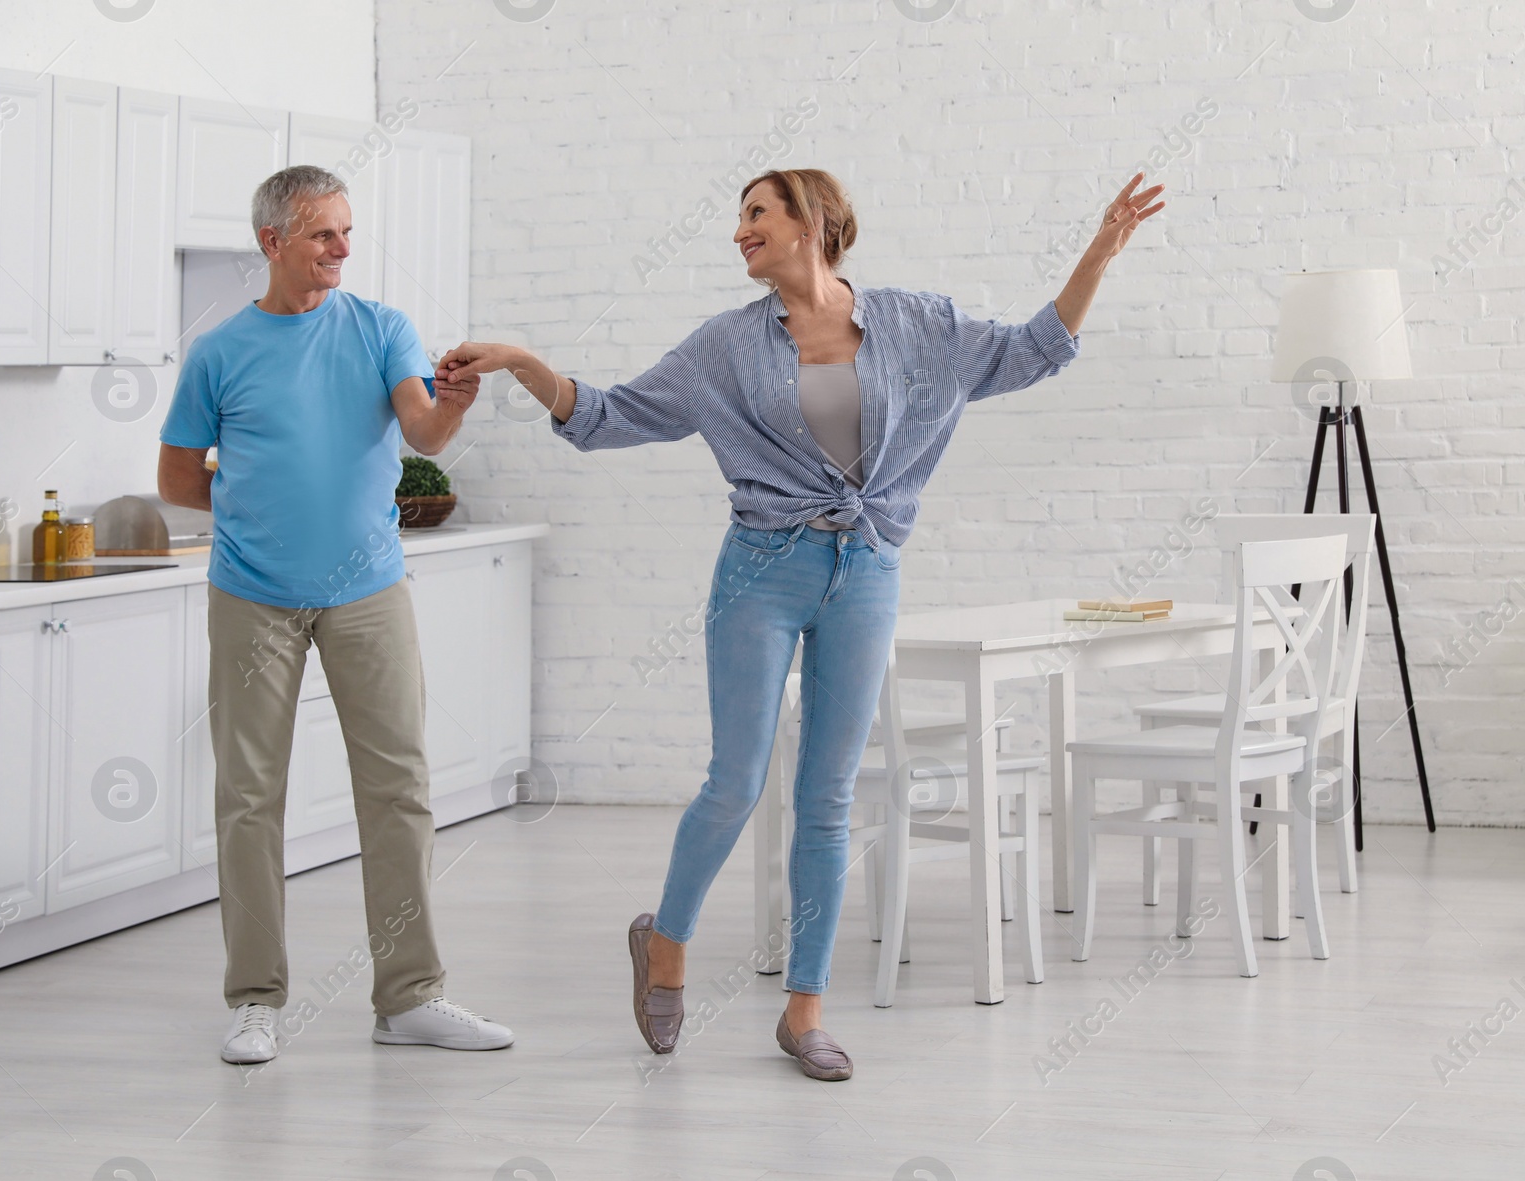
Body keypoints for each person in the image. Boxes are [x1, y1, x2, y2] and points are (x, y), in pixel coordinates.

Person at [437, 167, 1164, 1081]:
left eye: (755, 214)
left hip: (867, 571)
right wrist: (521, 362)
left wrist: (1098, 250)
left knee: (828, 797)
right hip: (762, 572)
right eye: (736, 217)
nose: (739, 231)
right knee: (736, 782)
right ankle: (664, 944)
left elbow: (1033, 349)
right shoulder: (725, 349)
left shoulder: (915, 325)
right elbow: (608, 415)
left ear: (811, 222)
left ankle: (804, 1011)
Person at [158, 164, 511, 1067]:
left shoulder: (380, 328)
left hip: (367, 591)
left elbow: (422, 432)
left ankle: (411, 995)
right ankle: (254, 1000)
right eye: (324, 233)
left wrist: (455, 405)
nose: (343, 248)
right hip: (252, 594)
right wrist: (258, 491)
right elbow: (174, 479)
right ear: (273, 241)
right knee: (248, 797)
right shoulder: (219, 353)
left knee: (399, 789)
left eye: (347, 231)